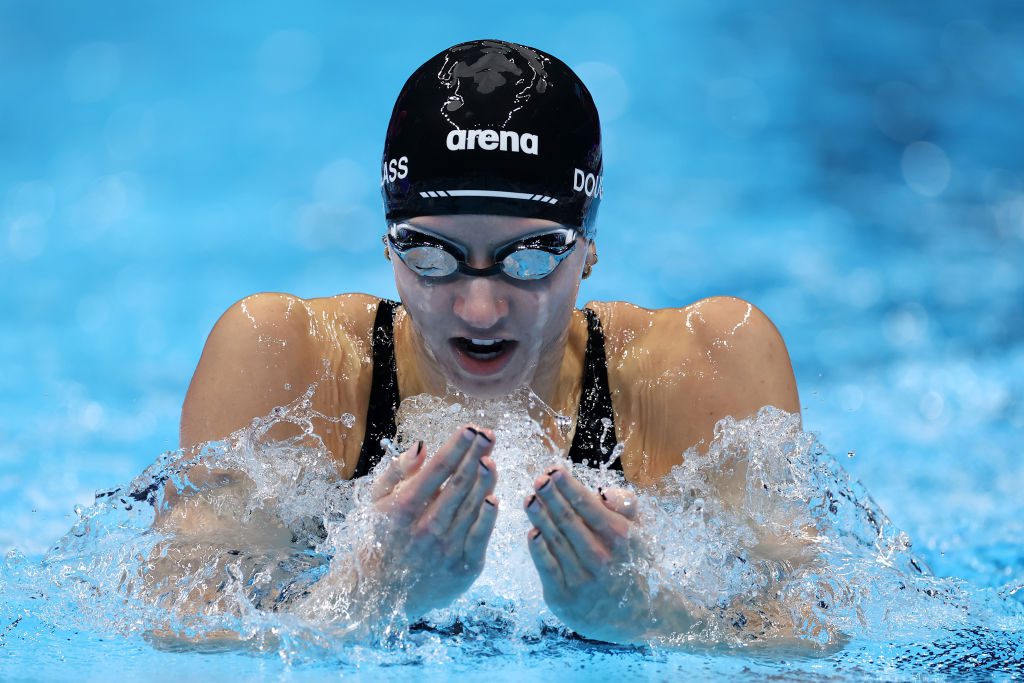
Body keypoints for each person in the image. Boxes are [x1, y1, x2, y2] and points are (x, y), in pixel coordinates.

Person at [174, 39, 801, 644]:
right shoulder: (286, 359)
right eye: (431, 255)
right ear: (388, 245)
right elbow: (171, 626)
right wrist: (363, 595)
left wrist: (652, 616)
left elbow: (816, 639)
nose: (479, 308)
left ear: (586, 248)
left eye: (529, 259)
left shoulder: (707, 364)